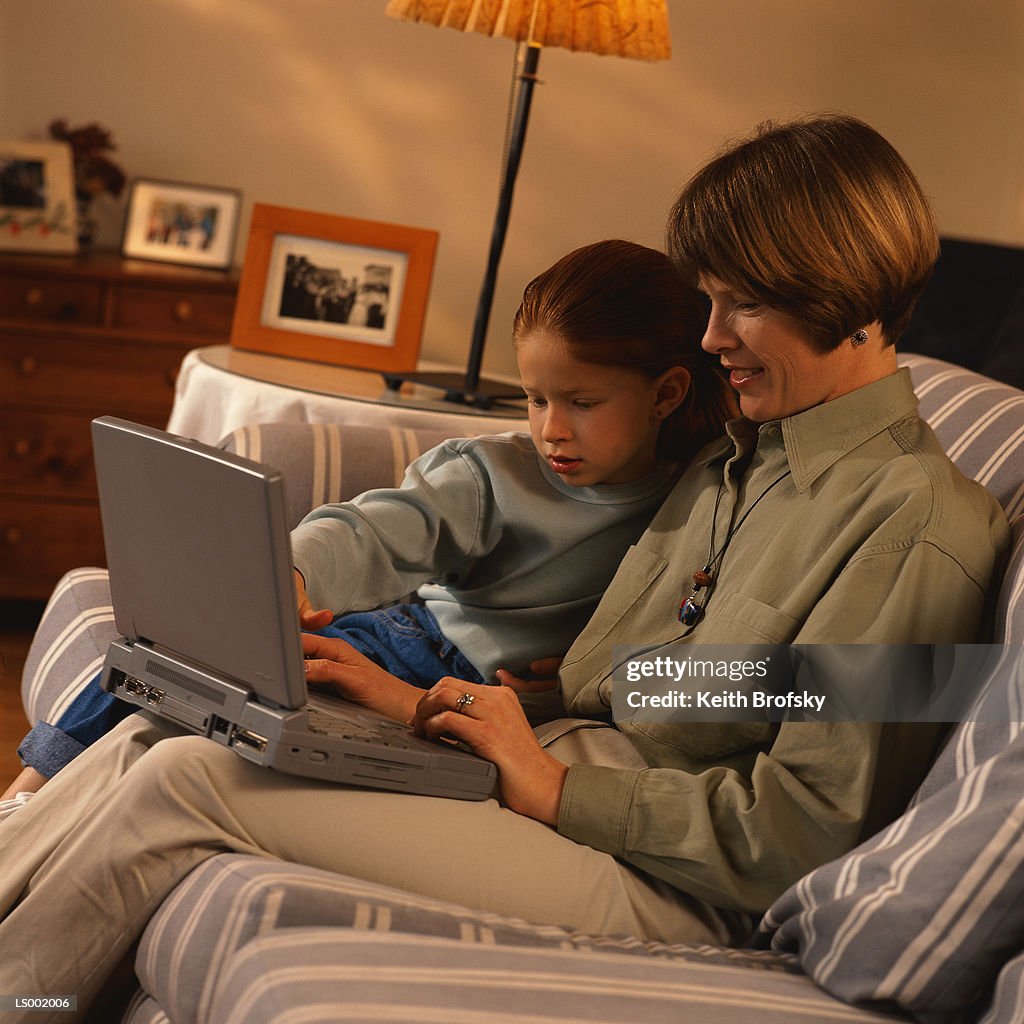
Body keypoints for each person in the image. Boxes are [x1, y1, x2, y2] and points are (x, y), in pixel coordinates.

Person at [0, 114, 1009, 1020]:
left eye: (738, 303)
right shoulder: (741, 457)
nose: (708, 338)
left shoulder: (913, 530)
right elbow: (687, 680)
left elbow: (795, 828)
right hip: (553, 763)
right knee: (160, 733)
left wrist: (554, 787)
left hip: (667, 877)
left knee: (188, 781)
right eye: (708, 299)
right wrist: (414, 707)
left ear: (836, 289)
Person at [1, 240, 734, 804]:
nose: (551, 430)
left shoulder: (707, 495)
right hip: (407, 644)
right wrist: (290, 570)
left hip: (512, 706)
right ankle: (28, 793)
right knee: (175, 658)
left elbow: (694, 650)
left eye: (582, 402)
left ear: (667, 393)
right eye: (536, 399)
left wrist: (576, 683)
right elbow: (377, 529)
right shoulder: (492, 473)